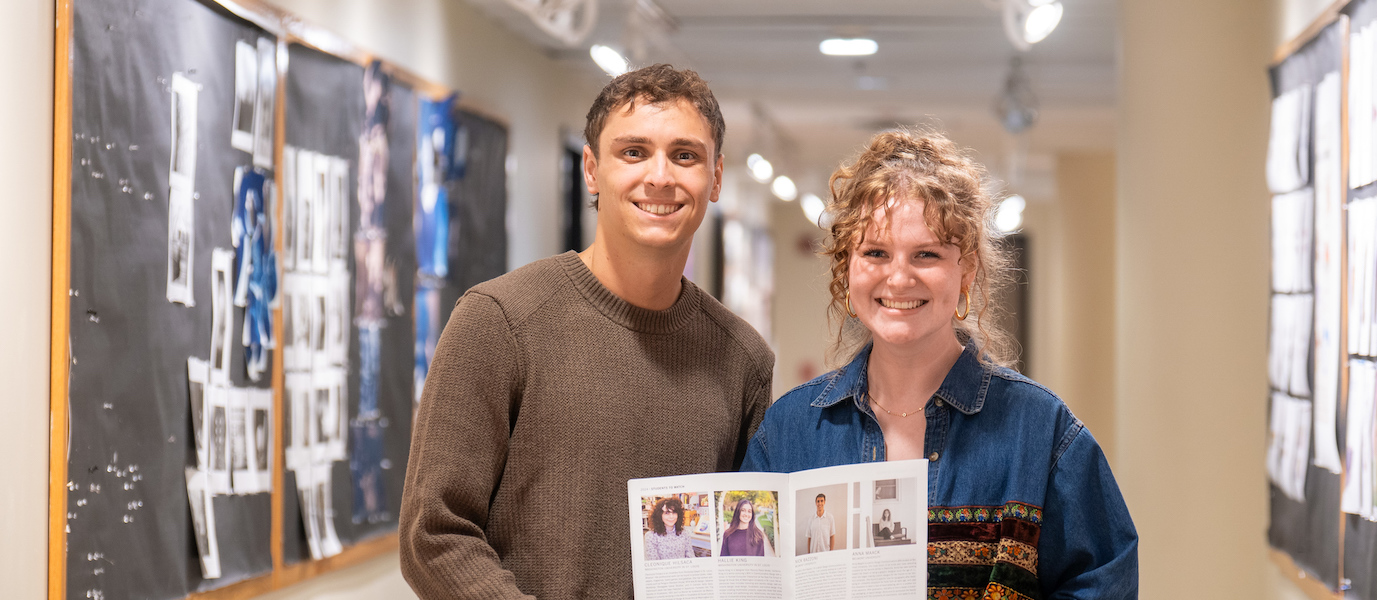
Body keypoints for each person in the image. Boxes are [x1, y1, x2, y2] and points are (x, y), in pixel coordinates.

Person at [399, 65, 775, 599]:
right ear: (592, 170)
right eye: (634, 152)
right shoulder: (498, 321)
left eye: (685, 155)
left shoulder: (743, 360)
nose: (660, 176)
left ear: (715, 178)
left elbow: (739, 559)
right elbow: (433, 533)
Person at [742, 128, 1139, 599]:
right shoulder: (788, 432)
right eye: (875, 253)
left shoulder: (1042, 432)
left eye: (926, 254)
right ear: (846, 267)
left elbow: (1104, 583)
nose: (899, 276)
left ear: (965, 268)